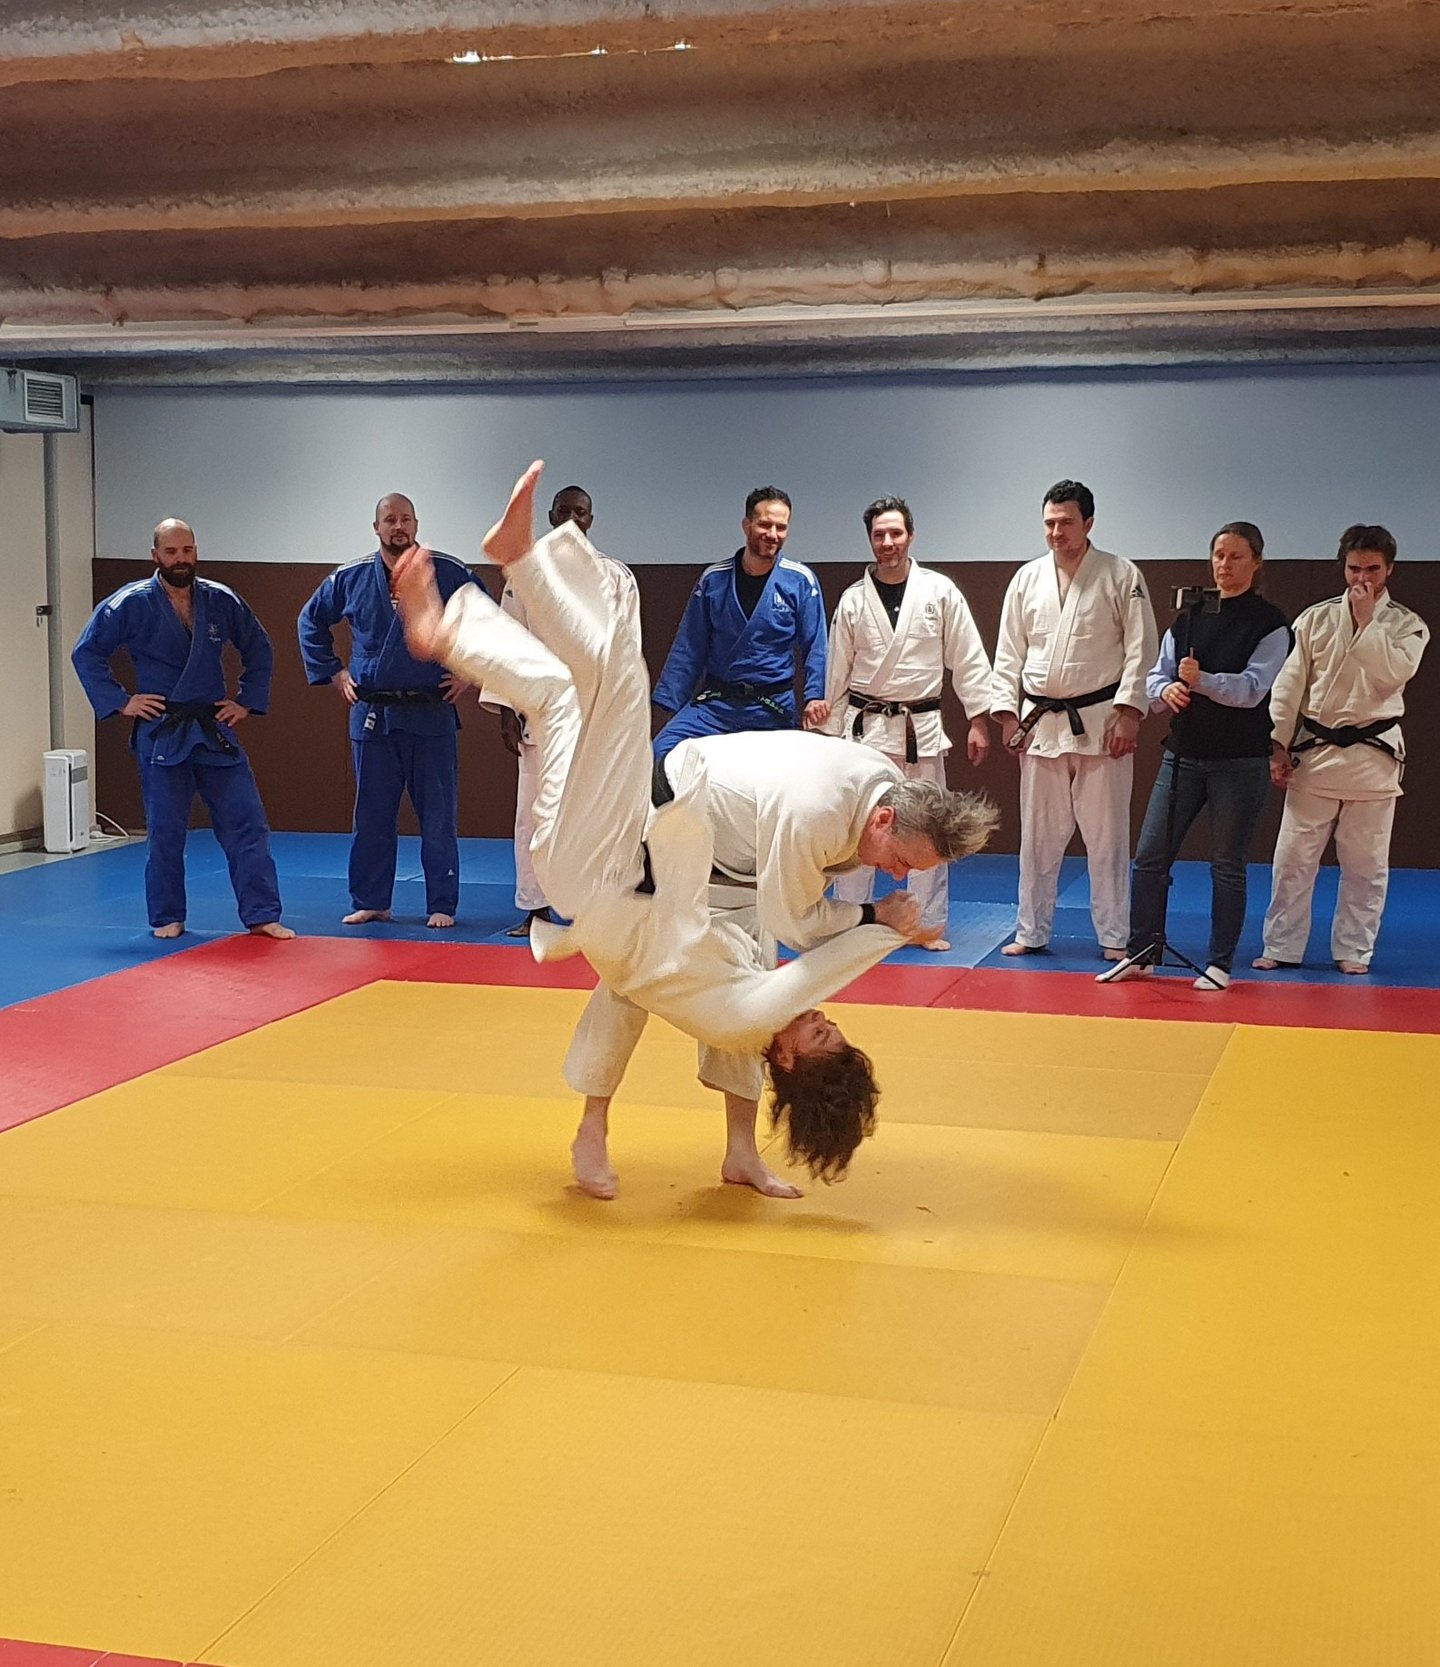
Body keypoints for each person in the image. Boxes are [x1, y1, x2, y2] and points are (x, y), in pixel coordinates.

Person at [394, 462, 958, 1184]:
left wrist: (890, 927)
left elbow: (815, 966)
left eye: (821, 1034)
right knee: (561, 694)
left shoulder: (750, 1016)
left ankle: (517, 564)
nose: (824, 1016)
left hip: (604, 873)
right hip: (619, 872)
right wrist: (886, 921)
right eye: (832, 1026)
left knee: (618, 676)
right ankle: (450, 627)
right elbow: (802, 967)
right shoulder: (751, 1007)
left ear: (787, 1058)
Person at [563, 729, 998, 1198]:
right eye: (900, 860)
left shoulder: (886, 789)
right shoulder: (817, 811)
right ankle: (593, 1126)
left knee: (754, 986)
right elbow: (797, 926)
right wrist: (876, 918)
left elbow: (791, 917)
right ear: (883, 820)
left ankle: (741, 1151)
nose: (897, 874)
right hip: (667, 827)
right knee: (631, 971)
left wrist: (884, 927)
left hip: (736, 857)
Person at [71, 518, 295, 942]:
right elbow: (86, 652)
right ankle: (167, 915)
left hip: (213, 727)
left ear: (196, 552)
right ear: (155, 555)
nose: (181, 559)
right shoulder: (130, 603)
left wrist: (246, 700)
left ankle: (262, 914)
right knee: (166, 830)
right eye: (171, 552)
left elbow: (259, 646)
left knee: (247, 822)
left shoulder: (220, 599)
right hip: (163, 727)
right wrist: (121, 701)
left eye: (187, 551)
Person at [1098, 522, 1290, 990]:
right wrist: (1168, 691)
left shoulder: (1271, 624)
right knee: (1149, 857)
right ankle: (1142, 950)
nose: (1225, 565)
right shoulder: (1189, 617)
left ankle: (1220, 962)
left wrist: (1201, 681)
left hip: (1240, 761)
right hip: (1183, 754)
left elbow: (1252, 689)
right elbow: (1156, 678)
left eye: (1236, 556)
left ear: (1256, 562)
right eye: (1219, 555)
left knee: (1226, 864)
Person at [991, 479, 1158, 959]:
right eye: (1049, 523)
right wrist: (1007, 716)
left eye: (1065, 522)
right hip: (1040, 723)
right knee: (1037, 838)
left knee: (1107, 839)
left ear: (1089, 523)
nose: (1056, 532)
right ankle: (1031, 930)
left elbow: (1141, 649)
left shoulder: (1121, 575)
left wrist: (1130, 713)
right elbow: (1008, 652)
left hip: (1101, 723)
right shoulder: (1026, 579)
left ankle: (1114, 936)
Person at [1253, 524, 1429, 975]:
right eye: (1354, 569)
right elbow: (1289, 686)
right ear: (1343, 568)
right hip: (1314, 753)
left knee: (1365, 865)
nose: (1362, 579)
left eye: (1373, 569)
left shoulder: (1407, 625)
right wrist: (1277, 743)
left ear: (1389, 570)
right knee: (1292, 860)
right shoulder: (1314, 619)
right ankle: (1282, 944)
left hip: (1373, 757)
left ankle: (1354, 949)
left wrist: (1368, 622)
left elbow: (1392, 675)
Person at [821, 494, 993, 952]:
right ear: (870, 540)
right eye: (879, 535)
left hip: (921, 730)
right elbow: (836, 672)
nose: (888, 542)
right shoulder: (853, 600)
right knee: (858, 829)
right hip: (864, 732)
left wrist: (978, 718)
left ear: (911, 536)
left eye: (895, 533)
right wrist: (829, 733)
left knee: (928, 827)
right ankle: (850, 921)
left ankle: (925, 924)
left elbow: (969, 658)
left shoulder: (940, 592)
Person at [298, 493, 478, 927]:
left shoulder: (448, 571)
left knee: (438, 815)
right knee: (372, 814)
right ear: (376, 527)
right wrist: (335, 673)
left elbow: (486, 618)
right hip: (373, 714)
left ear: (416, 524)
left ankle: (441, 903)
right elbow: (310, 620)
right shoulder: (352, 576)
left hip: (431, 711)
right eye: (390, 520)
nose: (399, 527)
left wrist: (469, 672)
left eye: (406, 519)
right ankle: (372, 899)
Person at [490, 484, 639, 938]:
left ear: (590, 520)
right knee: (534, 815)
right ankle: (536, 908)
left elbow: (628, 651)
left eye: (582, 512)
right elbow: (507, 643)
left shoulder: (616, 578)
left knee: (601, 816)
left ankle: (599, 908)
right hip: (541, 714)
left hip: (597, 715)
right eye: (565, 511)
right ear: (552, 517)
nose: (573, 518)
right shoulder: (525, 576)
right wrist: (505, 708)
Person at [650, 486, 827, 758]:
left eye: (781, 527)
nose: (773, 534)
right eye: (765, 525)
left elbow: (816, 646)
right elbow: (689, 646)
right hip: (717, 705)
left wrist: (814, 696)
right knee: (659, 753)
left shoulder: (800, 580)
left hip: (773, 708)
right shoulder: (713, 580)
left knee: (783, 772)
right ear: (747, 525)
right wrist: (667, 704)